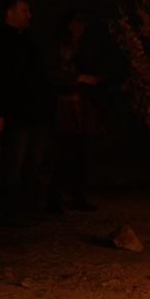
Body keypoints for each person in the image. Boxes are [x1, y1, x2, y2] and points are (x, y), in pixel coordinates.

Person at [0, 0, 52, 222]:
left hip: (34, 113)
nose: (29, 15)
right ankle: (12, 210)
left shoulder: (28, 40)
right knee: (14, 163)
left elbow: (39, 75)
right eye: (24, 11)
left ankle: (30, 207)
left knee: (33, 163)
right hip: (14, 115)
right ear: (9, 13)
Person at [49, 12, 102, 212]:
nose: (82, 29)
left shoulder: (79, 48)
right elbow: (54, 75)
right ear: (70, 26)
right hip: (66, 107)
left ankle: (76, 196)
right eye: (78, 25)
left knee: (79, 152)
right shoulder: (59, 48)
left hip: (79, 106)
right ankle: (54, 198)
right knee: (65, 152)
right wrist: (78, 78)